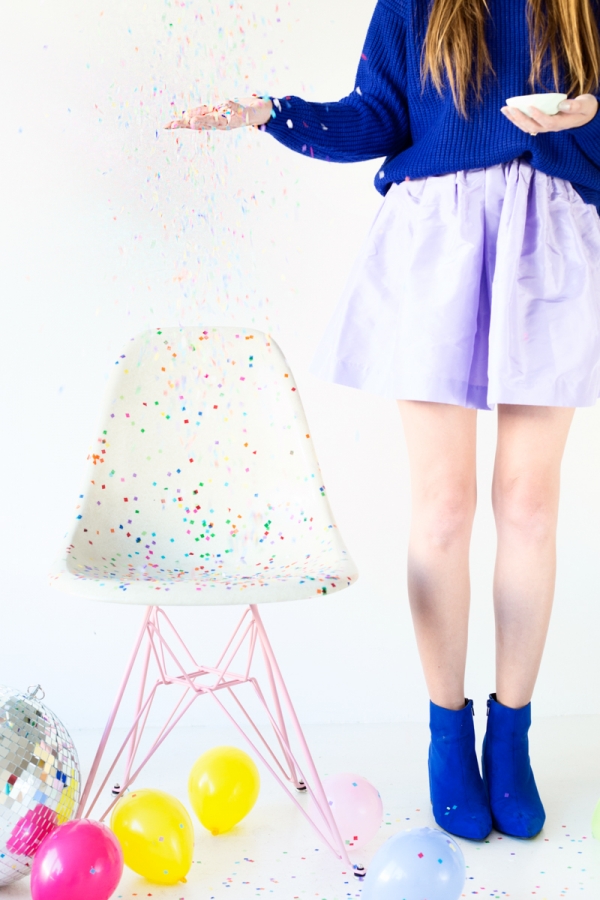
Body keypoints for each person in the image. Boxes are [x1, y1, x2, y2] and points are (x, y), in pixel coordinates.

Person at [164, 0, 600, 842]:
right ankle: (446, 733)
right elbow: (377, 115)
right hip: (435, 242)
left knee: (531, 506)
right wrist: (274, 114)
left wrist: (587, 116)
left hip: (550, 236)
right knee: (442, 504)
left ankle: (511, 736)